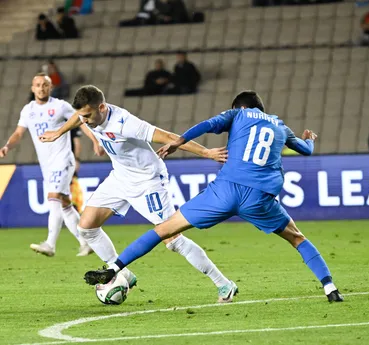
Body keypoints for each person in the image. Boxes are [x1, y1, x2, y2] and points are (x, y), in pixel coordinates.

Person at [83, 90, 344, 303]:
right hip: (260, 198)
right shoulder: (282, 128)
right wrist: (310, 139)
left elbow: (207, 125)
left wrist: (179, 141)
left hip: (224, 192)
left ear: (239, 108)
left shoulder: (237, 115)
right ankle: (330, 287)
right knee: (297, 238)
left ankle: (114, 268)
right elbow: (306, 150)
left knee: (164, 231)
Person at [39, 85, 238, 303]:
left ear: (102, 107)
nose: (84, 121)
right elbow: (77, 118)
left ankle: (223, 284)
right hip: (120, 178)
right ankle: (122, 272)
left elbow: (168, 136)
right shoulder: (89, 116)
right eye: (82, 116)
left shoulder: (125, 123)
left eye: (88, 115)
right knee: (86, 227)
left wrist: (206, 152)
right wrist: (58, 133)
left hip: (148, 182)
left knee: (173, 240)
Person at [0, 73, 101, 256]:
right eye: (37, 85)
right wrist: (8, 146)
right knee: (64, 204)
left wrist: (95, 140)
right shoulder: (27, 110)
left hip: (63, 159)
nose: (41, 88)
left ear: (50, 87)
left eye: (45, 85)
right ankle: (85, 242)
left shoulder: (60, 106)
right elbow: (18, 133)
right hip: (46, 164)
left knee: (53, 196)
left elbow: (81, 121)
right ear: (32, 88)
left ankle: (50, 244)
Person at [70, 128, 85, 213]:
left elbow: (77, 143)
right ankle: (74, 209)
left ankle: (74, 209)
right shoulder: (71, 123)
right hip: (68, 161)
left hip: (67, 162)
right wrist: (77, 159)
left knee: (71, 185)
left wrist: (76, 159)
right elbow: (77, 143)